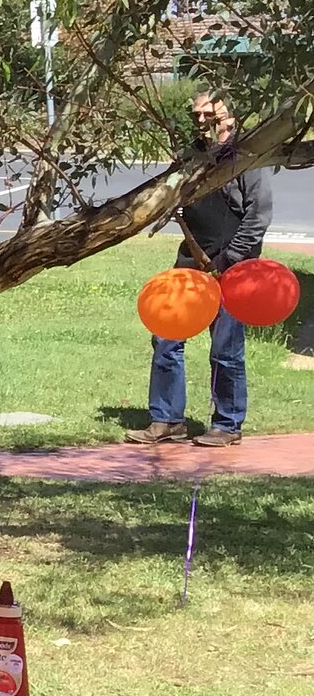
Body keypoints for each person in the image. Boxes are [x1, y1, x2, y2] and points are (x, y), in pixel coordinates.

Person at [126, 90, 272, 449]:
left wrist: (230, 258)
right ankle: (167, 420)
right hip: (190, 266)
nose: (202, 120)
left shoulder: (247, 158)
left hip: (232, 270)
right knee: (166, 338)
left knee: (225, 350)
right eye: (196, 114)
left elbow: (259, 216)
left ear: (230, 115)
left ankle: (227, 424)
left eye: (210, 113)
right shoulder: (191, 157)